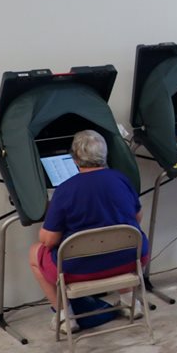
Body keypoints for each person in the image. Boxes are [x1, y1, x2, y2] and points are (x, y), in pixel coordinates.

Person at [27, 130, 150, 334]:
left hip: (80, 269)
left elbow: (49, 240)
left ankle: (66, 317)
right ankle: (130, 303)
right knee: (120, 241)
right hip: (130, 260)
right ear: (105, 155)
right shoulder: (121, 179)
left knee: (35, 252)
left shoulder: (65, 190)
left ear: (74, 159)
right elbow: (137, 218)